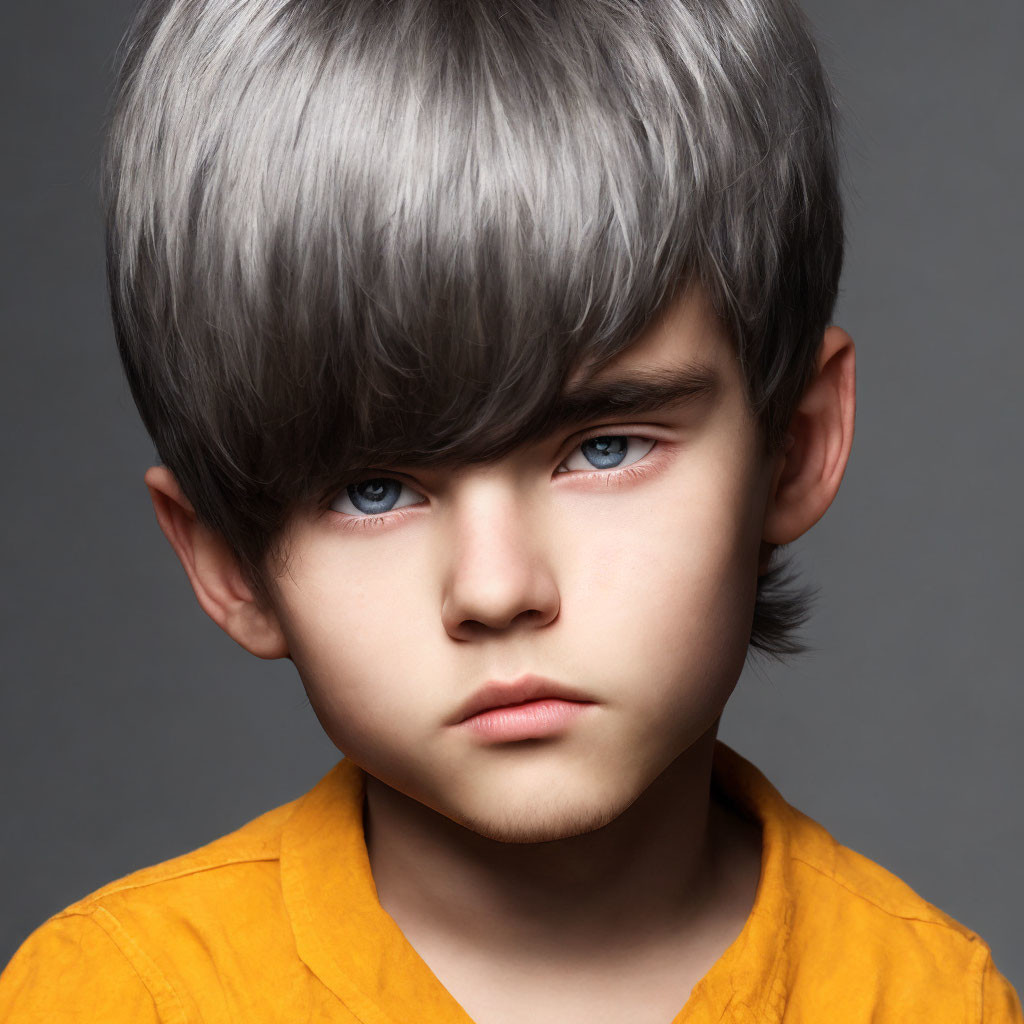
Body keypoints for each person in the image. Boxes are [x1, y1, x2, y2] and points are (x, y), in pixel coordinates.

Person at [1, 0, 1020, 1019]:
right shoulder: (113, 998)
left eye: (603, 448)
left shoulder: (927, 999)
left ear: (791, 448)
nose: (496, 588)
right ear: (229, 560)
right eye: (375, 489)